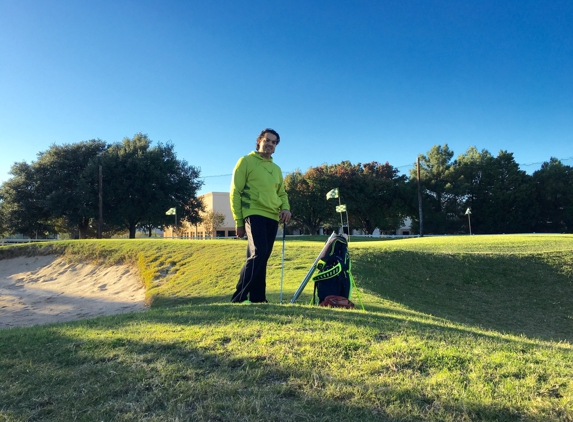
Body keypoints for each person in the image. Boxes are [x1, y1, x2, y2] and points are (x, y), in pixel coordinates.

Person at [230, 128, 291, 303]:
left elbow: (282, 194)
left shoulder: (276, 169)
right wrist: (239, 221)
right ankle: (238, 297)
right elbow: (235, 192)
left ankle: (258, 299)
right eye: (267, 140)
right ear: (259, 141)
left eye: (274, 142)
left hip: (272, 216)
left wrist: (285, 208)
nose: (270, 144)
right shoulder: (245, 161)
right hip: (253, 213)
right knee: (260, 252)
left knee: (261, 257)